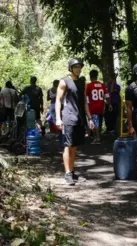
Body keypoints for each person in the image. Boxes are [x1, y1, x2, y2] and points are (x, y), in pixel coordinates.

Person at [55, 58, 95, 186]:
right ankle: (67, 173)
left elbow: (84, 101)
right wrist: (58, 118)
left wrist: (89, 117)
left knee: (74, 146)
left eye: (79, 67)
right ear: (71, 68)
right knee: (68, 145)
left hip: (80, 118)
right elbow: (57, 101)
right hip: (68, 117)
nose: (78, 69)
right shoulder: (64, 81)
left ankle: (72, 172)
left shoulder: (83, 82)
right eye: (75, 67)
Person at [86, 69, 111, 144]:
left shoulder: (88, 86)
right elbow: (107, 96)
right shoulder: (102, 85)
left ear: (90, 77)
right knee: (99, 122)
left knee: (95, 123)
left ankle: (97, 138)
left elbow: (86, 98)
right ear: (96, 76)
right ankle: (97, 136)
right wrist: (109, 104)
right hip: (101, 106)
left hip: (93, 107)